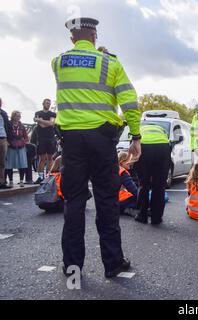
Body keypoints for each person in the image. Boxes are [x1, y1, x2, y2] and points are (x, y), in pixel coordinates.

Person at [54, 17, 142, 278]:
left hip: (70, 140)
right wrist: (135, 136)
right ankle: (113, 264)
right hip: (102, 140)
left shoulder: (58, 62)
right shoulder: (110, 62)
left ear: (72, 39)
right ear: (95, 37)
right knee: (106, 200)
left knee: (74, 201)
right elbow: (129, 101)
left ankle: (72, 267)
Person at [134, 122, 170, 225]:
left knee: (143, 184)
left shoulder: (139, 129)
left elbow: (133, 146)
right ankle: (156, 218)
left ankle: (142, 215)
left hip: (144, 146)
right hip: (163, 147)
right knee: (159, 185)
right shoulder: (161, 129)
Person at [34, 98, 57, 184]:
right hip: (41, 138)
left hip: (51, 138)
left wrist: (39, 120)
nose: (48, 104)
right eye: (46, 103)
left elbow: (51, 123)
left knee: (50, 159)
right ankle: (40, 177)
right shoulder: (38, 113)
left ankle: (49, 176)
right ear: (43, 103)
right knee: (42, 159)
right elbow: (43, 126)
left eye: (49, 103)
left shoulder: (53, 113)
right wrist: (45, 122)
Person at [5, 111, 28, 187]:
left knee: (22, 164)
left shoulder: (21, 126)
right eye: (16, 116)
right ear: (13, 116)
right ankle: (11, 181)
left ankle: (21, 181)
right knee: (9, 165)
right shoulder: (8, 124)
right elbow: (5, 134)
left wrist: (23, 142)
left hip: (20, 147)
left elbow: (26, 136)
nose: (18, 117)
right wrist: (7, 142)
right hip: (11, 146)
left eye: (19, 116)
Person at [117, 152, 138, 216]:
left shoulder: (113, 169)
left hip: (108, 202)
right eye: (129, 160)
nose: (131, 162)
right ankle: (128, 208)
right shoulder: (123, 172)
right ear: (122, 162)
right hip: (119, 202)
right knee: (140, 197)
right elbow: (133, 189)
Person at [0, 97, 12, 189]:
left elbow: (8, 126)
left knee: (2, 162)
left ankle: (2, 182)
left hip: (3, 139)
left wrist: (8, 140)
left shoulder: (3, 113)